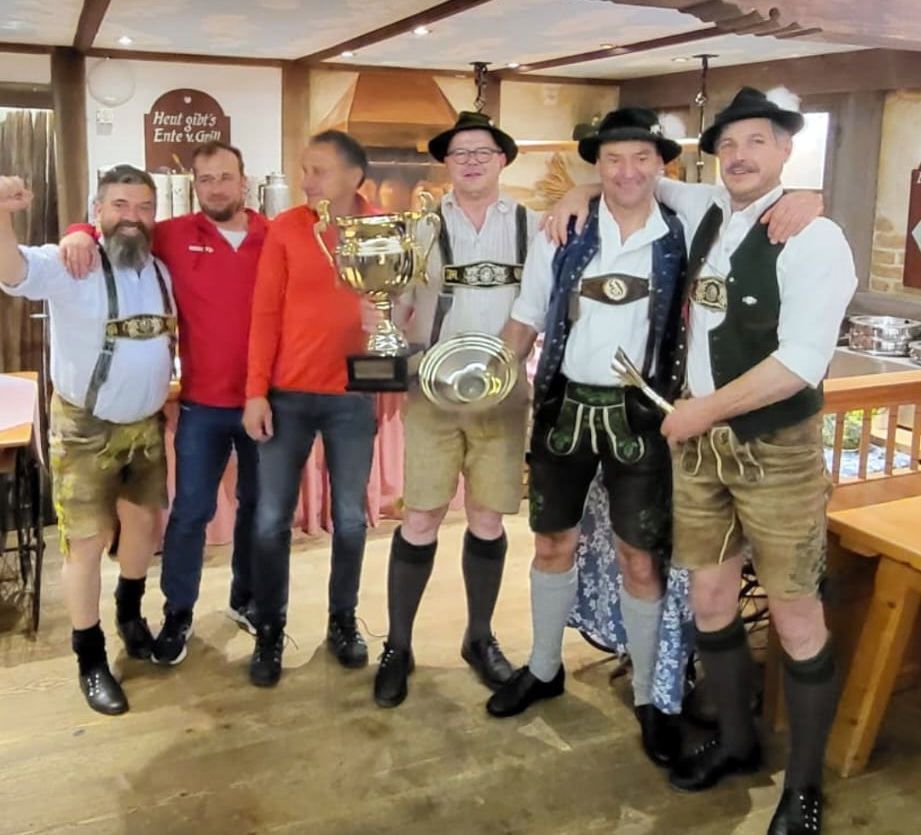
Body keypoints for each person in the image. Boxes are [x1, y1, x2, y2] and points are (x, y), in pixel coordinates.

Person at [655, 87, 856, 835]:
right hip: (701, 450)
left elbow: (800, 363)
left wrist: (701, 409)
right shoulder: (709, 208)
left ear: (785, 150)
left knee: (796, 612)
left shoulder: (815, 237)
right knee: (710, 598)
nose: (739, 155)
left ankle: (802, 788)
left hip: (775, 450)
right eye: (729, 144)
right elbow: (644, 179)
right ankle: (737, 740)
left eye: (757, 142)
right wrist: (583, 187)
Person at [486, 108, 689, 767]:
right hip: (564, 406)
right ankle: (544, 667)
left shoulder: (683, 233)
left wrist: (807, 197)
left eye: (640, 157)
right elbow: (525, 316)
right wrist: (491, 381)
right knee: (552, 543)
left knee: (639, 557)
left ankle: (651, 697)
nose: (627, 171)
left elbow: (745, 194)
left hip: (643, 415)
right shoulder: (564, 229)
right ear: (596, 165)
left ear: (660, 163)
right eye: (612, 159)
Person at [60, 141, 269, 666]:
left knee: (258, 509)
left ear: (244, 181)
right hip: (201, 405)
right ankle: (178, 613)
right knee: (190, 513)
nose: (216, 188)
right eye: (206, 179)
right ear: (194, 186)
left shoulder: (275, 234)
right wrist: (79, 230)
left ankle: (246, 598)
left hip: (263, 401)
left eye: (225, 177)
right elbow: (119, 229)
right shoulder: (173, 234)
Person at [372, 111, 541, 709]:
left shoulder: (534, 226)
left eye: (483, 152)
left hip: (503, 397)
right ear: (446, 163)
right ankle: (398, 646)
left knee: (488, 520)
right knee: (420, 517)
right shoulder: (416, 229)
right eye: (460, 152)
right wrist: (384, 336)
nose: (471, 161)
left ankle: (479, 637)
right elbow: (391, 305)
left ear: (502, 160)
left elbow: (545, 305)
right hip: (432, 394)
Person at [0, 166, 174, 715]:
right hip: (84, 428)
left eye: (143, 207)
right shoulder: (71, 263)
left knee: (142, 525)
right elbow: (11, 269)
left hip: (146, 424)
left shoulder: (160, 269)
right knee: (87, 542)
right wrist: (1, 214)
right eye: (120, 205)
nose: (132, 218)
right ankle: (90, 656)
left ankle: (130, 614)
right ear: (97, 210)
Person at [243, 129, 378, 688]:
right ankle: (269, 628)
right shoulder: (287, 228)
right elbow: (264, 313)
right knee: (271, 520)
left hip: (353, 397)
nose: (306, 181)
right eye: (304, 170)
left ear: (353, 176)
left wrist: (391, 321)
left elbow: (408, 308)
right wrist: (255, 390)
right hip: (288, 396)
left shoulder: (382, 229)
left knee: (351, 520)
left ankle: (343, 620)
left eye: (318, 170)